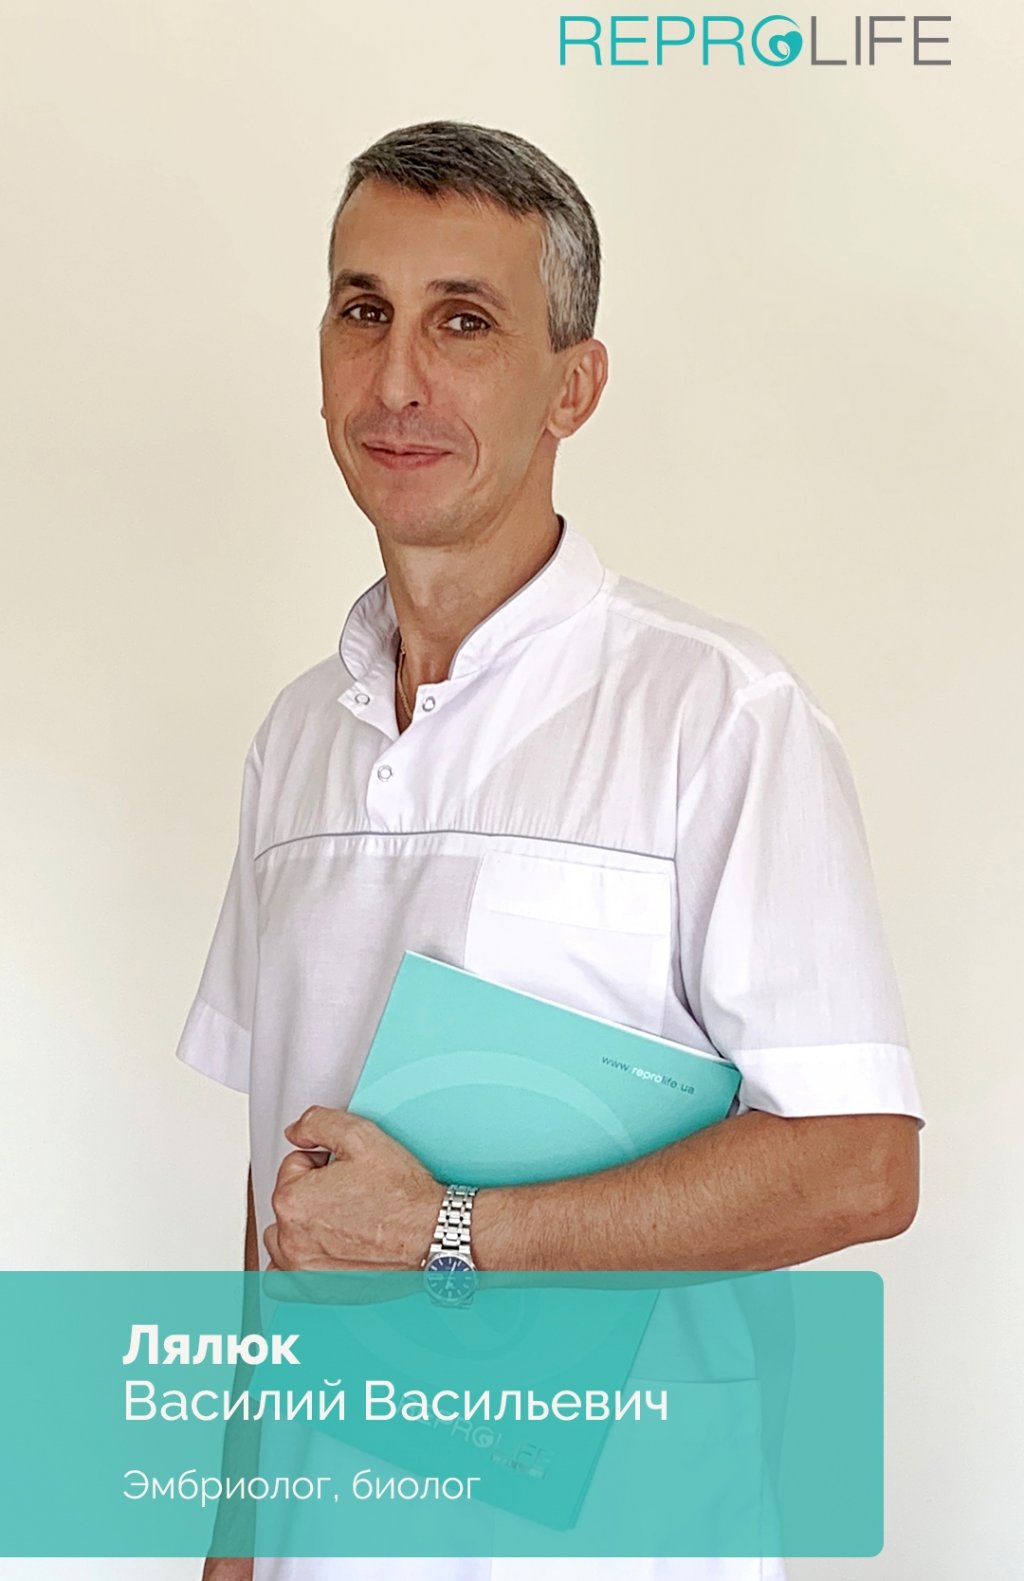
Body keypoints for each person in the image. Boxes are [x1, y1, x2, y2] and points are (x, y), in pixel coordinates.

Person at [176, 119, 926, 1581]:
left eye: (464, 320)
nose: (399, 378)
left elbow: (859, 1165)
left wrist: (446, 1229)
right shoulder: (297, 737)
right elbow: (281, 1211)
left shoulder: (715, 712)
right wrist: (234, 1545)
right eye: (363, 310)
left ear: (573, 384)